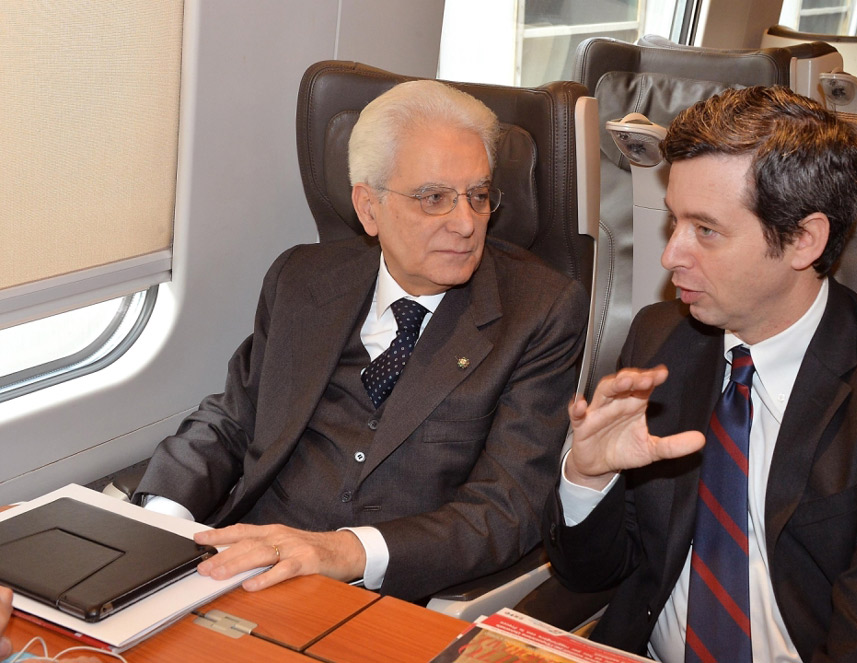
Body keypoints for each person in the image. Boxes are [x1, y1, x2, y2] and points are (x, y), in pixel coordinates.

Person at [543, 86, 857, 662]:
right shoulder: (662, 340)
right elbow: (592, 575)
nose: (670, 254)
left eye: (705, 230)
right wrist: (588, 476)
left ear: (804, 240)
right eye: (674, 222)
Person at [134, 79, 588, 602]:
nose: (466, 223)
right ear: (368, 209)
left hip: (389, 595)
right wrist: (164, 523)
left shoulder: (541, 310)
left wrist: (346, 551)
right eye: (434, 198)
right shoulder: (302, 278)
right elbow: (234, 419)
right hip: (244, 567)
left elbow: (507, 509)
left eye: (479, 195)